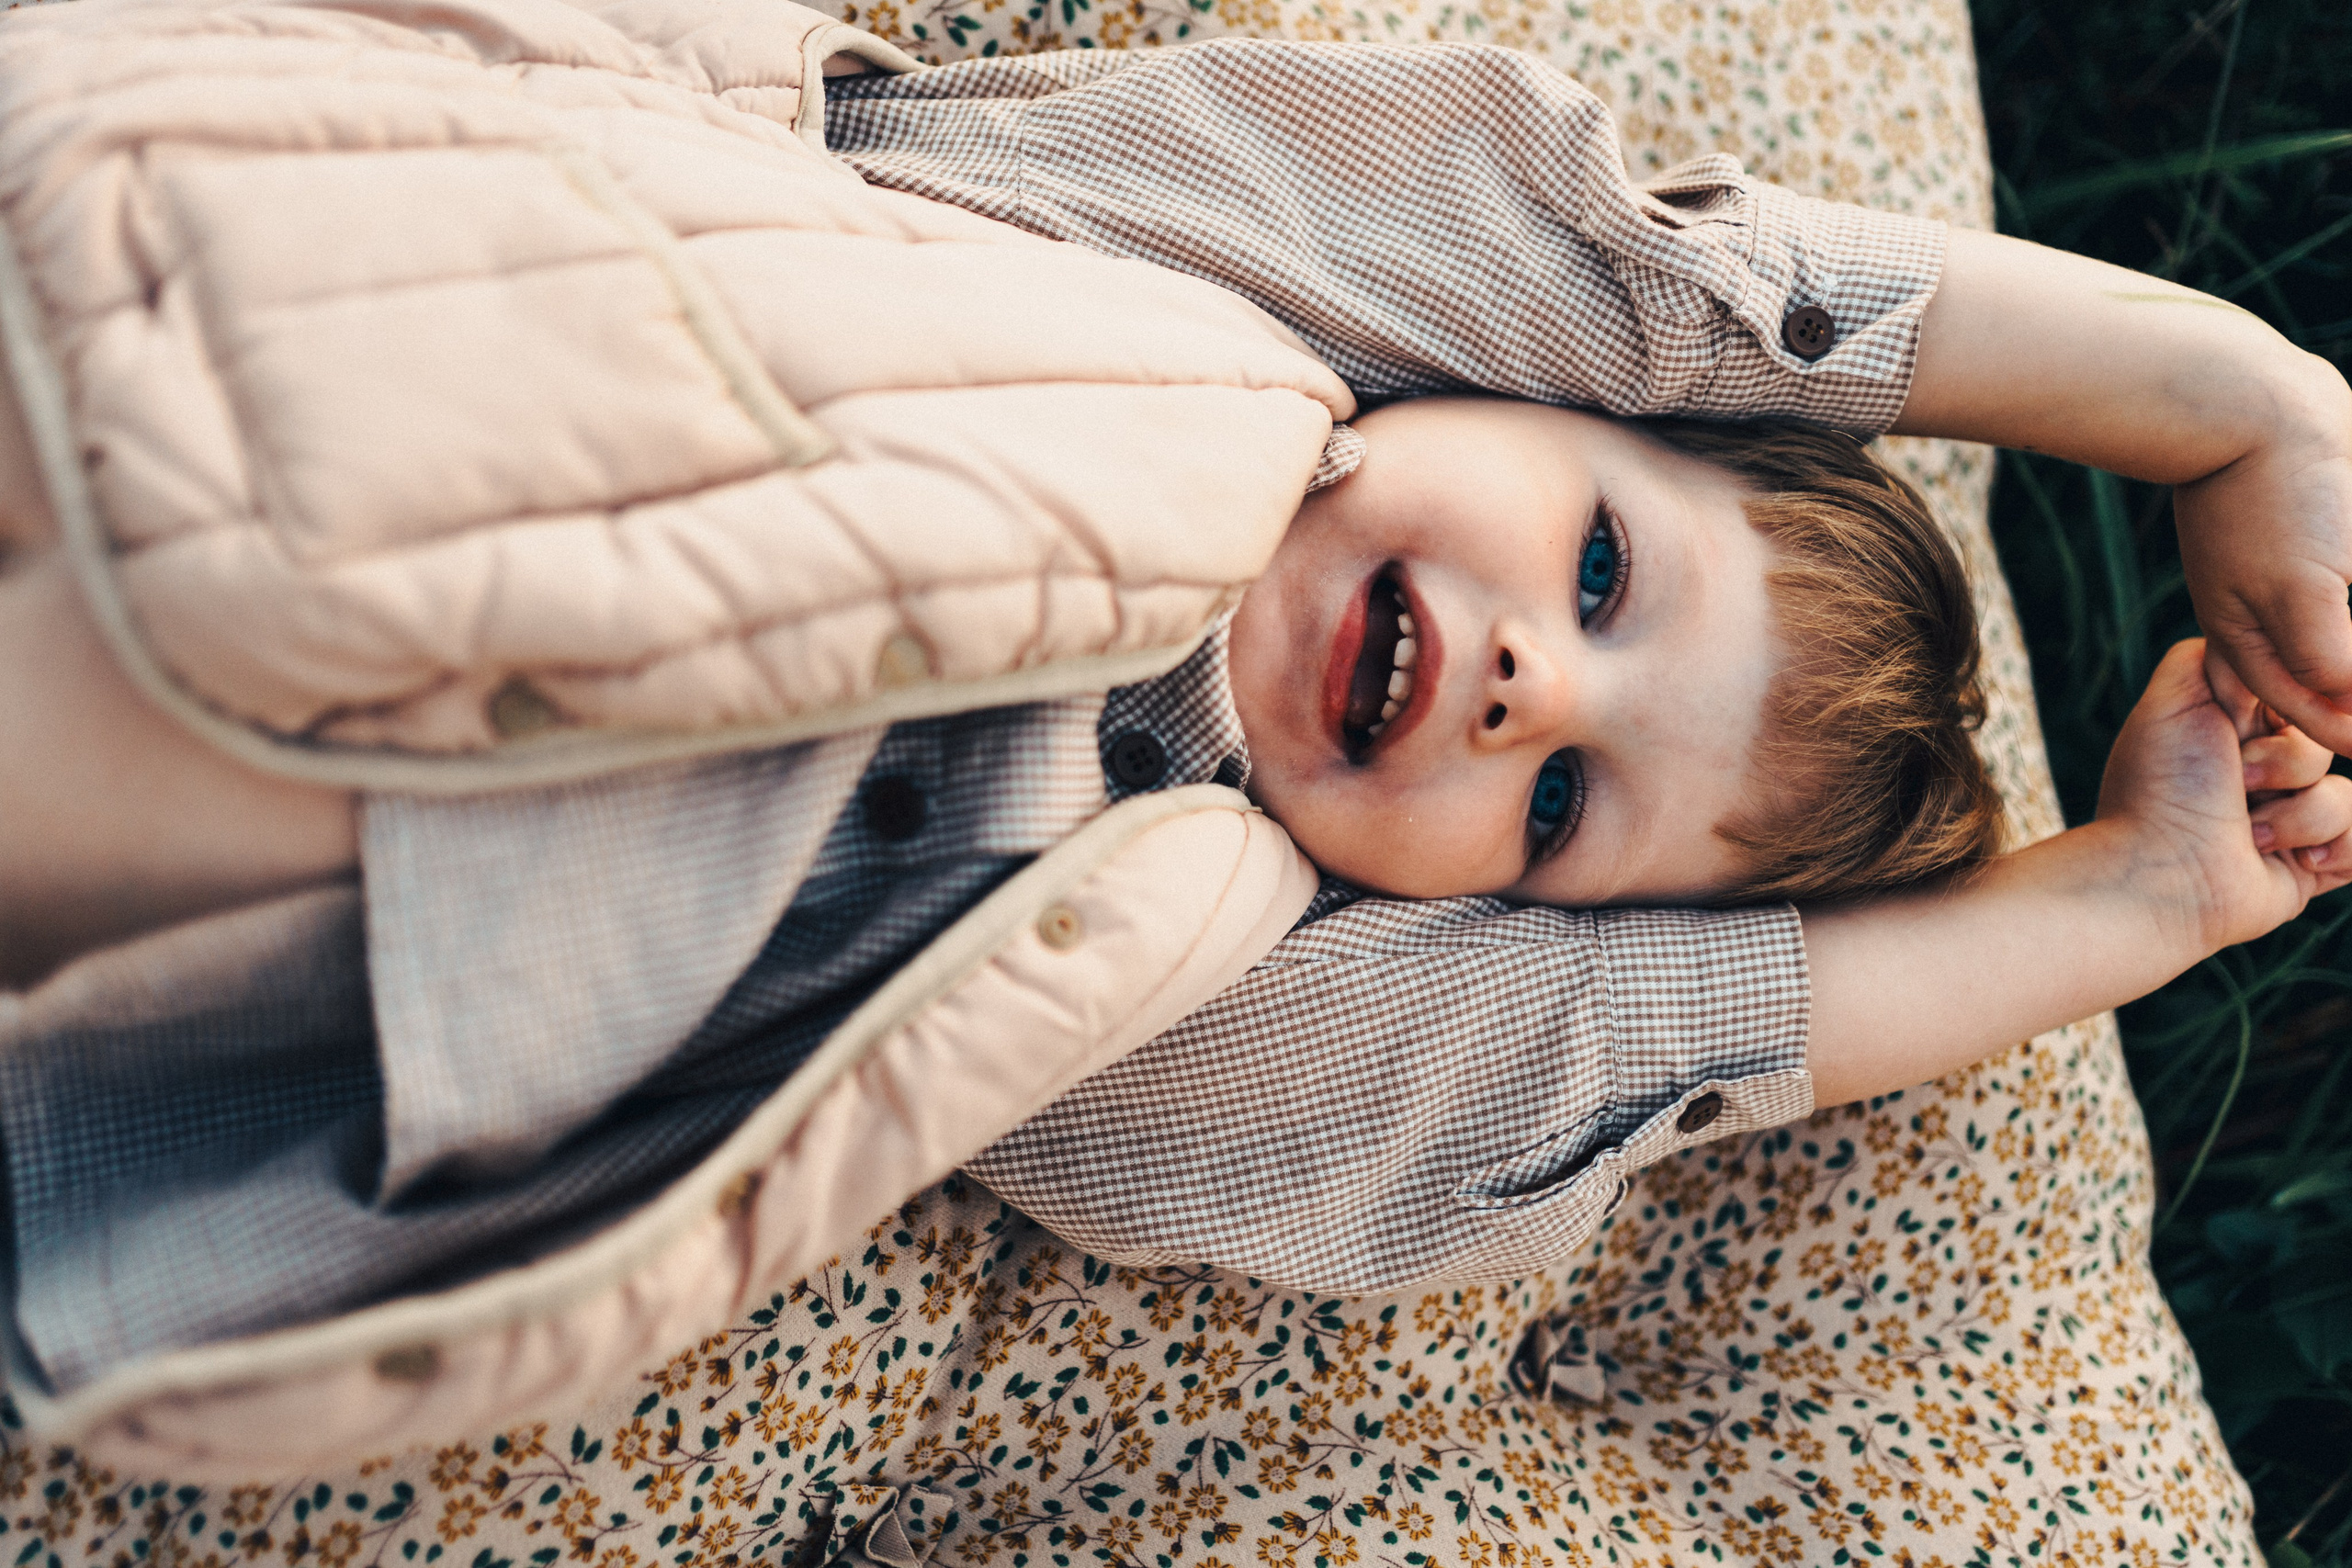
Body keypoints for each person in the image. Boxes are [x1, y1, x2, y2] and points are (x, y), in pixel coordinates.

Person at [0, 0, 2347, 1432]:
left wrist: (2136, 897)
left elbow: (1634, 1029)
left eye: (1556, 808)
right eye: (1604, 567)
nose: (1534, 685)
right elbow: (1627, 261)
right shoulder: (1210, 287)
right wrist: (2235, 403)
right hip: (338, 334)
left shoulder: (1200, 966)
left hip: (324, 868)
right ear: (1519, 381)